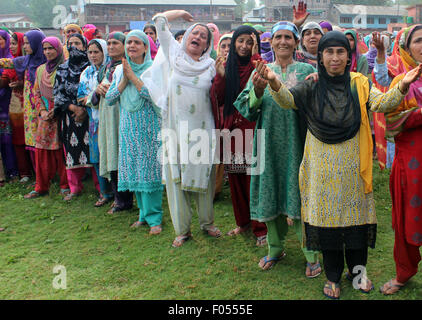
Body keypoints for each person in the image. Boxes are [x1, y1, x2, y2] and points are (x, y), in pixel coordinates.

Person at [257, 31, 420, 299]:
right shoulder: (311, 86)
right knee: (328, 227)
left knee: (356, 226)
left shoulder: (360, 83)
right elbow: (287, 101)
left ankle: (357, 275)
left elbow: (381, 102)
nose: (335, 57)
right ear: (320, 56)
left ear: (348, 57)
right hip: (321, 170)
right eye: (329, 52)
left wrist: (402, 85)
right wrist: (274, 81)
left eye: (340, 52)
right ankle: (332, 277)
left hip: (355, 170)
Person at [234, 21, 320, 276]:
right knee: (270, 193)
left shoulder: (307, 69)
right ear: (270, 42)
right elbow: (246, 109)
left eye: (288, 37)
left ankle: (311, 254)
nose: (283, 41)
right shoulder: (259, 71)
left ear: (296, 42)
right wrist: (258, 91)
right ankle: (275, 248)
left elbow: (315, 106)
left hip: (299, 143)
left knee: (301, 196)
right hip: (268, 143)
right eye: (278, 37)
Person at [142, 10, 221, 247]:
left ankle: (207, 223)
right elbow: (159, 21)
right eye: (194, 32)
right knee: (176, 181)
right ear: (186, 37)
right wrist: (181, 13)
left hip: (202, 130)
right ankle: (182, 230)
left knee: (203, 179)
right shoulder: (174, 56)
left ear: (208, 44)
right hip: (175, 129)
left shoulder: (211, 66)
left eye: (203, 35)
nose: (198, 36)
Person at [211, 25, 268, 246]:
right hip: (232, 130)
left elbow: (254, 92)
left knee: (252, 180)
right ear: (234, 42)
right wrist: (222, 76)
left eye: (249, 41)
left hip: (252, 128)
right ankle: (243, 222)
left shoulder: (259, 65)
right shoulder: (228, 66)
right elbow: (218, 97)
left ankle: (260, 228)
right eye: (240, 41)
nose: (243, 46)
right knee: (235, 178)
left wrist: (255, 55)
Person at [106, 30, 163, 235]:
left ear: (145, 48)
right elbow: (110, 99)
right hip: (128, 127)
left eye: (137, 43)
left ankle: (155, 217)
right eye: (129, 42)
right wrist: (124, 80)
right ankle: (142, 215)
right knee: (134, 169)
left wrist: (134, 78)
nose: (131, 46)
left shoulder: (153, 70)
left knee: (150, 171)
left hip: (149, 127)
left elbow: (157, 99)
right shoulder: (119, 70)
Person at [379, 25, 422, 295]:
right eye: (419, 40)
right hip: (412, 162)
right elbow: (391, 123)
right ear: (406, 47)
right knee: (409, 216)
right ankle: (404, 272)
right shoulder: (401, 81)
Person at [90, 32, 133, 214]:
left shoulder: (129, 66)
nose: (111, 46)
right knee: (111, 154)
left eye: (116, 43)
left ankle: (126, 200)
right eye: (108, 43)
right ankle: (118, 198)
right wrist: (98, 90)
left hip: (122, 115)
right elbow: (93, 96)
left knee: (123, 156)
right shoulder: (104, 68)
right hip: (107, 118)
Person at [53, 33, 99, 201]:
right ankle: (75, 187)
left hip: (90, 114)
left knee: (93, 150)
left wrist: (84, 110)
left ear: (84, 46)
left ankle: (100, 187)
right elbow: (57, 94)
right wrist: (74, 108)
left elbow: (95, 91)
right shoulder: (63, 68)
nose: (74, 47)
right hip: (70, 116)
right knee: (71, 152)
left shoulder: (92, 67)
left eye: (77, 43)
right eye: (70, 43)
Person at [24, 37, 70, 199]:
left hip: (61, 113)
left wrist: (55, 110)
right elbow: (36, 93)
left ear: (58, 49)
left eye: (51, 48)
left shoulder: (65, 68)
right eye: (45, 49)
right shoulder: (40, 70)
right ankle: (41, 185)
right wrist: (42, 111)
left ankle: (65, 185)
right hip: (44, 115)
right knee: (42, 150)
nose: (48, 52)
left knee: (61, 151)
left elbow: (67, 92)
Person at [0, 30, 47, 172]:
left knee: (44, 139)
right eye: (24, 43)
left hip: (43, 104)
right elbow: (8, 63)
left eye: (27, 43)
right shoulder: (27, 60)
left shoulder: (46, 64)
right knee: (31, 138)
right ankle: (38, 173)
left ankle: (47, 173)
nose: (24, 46)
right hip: (29, 106)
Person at [77, 38, 113, 207]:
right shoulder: (86, 73)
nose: (92, 55)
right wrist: (94, 96)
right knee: (97, 157)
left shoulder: (111, 70)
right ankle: (104, 192)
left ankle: (119, 193)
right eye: (90, 52)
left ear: (103, 52)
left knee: (113, 154)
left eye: (96, 52)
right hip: (94, 121)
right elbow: (81, 98)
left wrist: (92, 97)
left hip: (111, 118)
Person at [6, 32, 32, 182]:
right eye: (10, 43)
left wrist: (22, 84)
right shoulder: (13, 62)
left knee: (32, 138)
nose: (12, 46)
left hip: (31, 103)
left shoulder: (32, 62)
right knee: (18, 138)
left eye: (15, 43)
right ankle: (24, 172)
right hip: (16, 104)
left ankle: (36, 172)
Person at [0, 30, 19, 181]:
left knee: (8, 138)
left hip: (9, 101)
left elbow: (5, 81)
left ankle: (13, 171)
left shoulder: (11, 60)